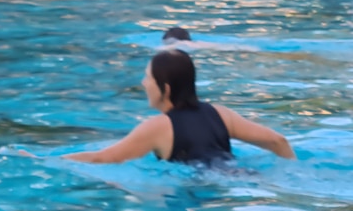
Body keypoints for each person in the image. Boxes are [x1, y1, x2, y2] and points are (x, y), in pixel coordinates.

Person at [62, 49, 296, 165]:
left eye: (148, 78)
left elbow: (104, 158)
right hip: (241, 175)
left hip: (201, 188)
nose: (143, 84)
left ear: (165, 88)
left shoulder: (157, 127)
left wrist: (49, 160)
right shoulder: (221, 114)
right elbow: (278, 141)